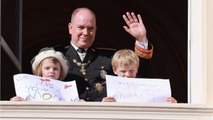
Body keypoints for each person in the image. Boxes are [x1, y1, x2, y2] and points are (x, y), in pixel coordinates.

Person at [63, 7, 153, 101]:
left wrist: (141, 39)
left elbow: (138, 75)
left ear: (95, 30)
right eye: (81, 27)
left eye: (90, 28)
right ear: (70, 28)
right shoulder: (58, 55)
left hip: (104, 114)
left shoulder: (109, 57)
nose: (85, 33)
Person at [102, 49, 177, 103]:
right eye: (123, 71)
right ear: (115, 70)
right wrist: (102, 106)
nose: (128, 75)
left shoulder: (147, 87)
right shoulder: (108, 90)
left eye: (131, 71)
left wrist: (173, 105)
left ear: (137, 69)